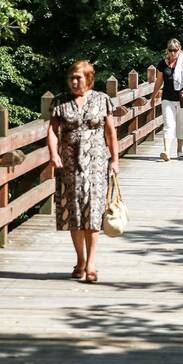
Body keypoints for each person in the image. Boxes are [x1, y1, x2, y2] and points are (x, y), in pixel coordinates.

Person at [47, 60, 119, 283]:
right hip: (70, 165)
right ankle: (80, 259)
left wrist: (114, 159)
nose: (75, 81)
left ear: (88, 78)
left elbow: (110, 131)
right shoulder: (60, 102)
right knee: (75, 212)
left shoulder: (101, 100)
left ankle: (91, 263)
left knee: (94, 211)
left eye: (79, 77)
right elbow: (52, 130)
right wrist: (53, 154)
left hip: (96, 164)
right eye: (72, 78)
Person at [151, 38, 183, 161]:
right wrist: (153, 95)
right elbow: (159, 81)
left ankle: (179, 150)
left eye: (175, 50)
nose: (173, 53)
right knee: (168, 124)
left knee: (181, 125)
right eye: (171, 50)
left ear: (179, 50)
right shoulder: (162, 64)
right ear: (167, 50)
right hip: (167, 97)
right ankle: (166, 151)